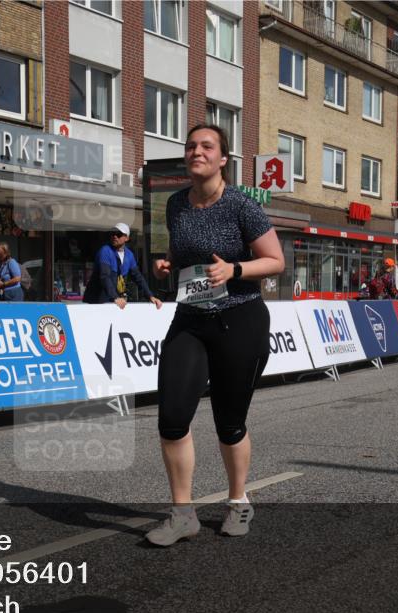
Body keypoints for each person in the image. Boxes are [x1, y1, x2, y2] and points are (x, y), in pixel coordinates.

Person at [146, 124, 285, 546]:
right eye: (191, 145)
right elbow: (180, 252)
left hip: (239, 318)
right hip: (191, 318)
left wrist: (235, 269)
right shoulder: (175, 204)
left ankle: (238, 500)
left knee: (229, 421)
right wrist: (167, 266)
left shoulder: (241, 205)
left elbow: (275, 260)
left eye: (207, 146)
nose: (196, 151)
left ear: (223, 159)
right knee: (171, 417)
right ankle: (182, 513)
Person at [82, 222, 163, 309]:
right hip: (95, 301)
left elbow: (138, 277)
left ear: (126, 238)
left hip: (112, 301)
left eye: (119, 234)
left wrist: (150, 296)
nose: (115, 236)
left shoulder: (129, 255)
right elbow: (105, 276)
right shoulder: (105, 251)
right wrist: (115, 297)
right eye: (113, 233)